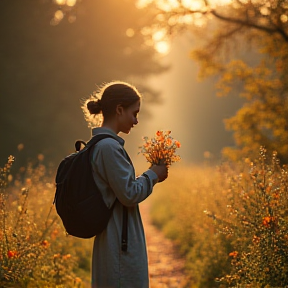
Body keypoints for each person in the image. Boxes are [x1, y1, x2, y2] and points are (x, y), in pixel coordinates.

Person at [82, 81, 168, 288]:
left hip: (116, 239)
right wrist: (152, 175)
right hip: (119, 243)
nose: (136, 120)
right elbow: (128, 193)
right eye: (134, 113)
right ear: (119, 109)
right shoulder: (109, 148)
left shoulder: (103, 145)